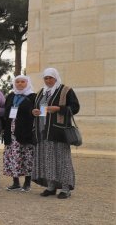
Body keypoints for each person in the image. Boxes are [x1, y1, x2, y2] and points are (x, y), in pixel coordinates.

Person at [32, 68, 80, 199]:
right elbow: (42, 110)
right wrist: (35, 112)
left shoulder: (66, 90)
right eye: (46, 78)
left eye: (50, 78)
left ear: (56, 78)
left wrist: (59, 108)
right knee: (49, 160)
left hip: (59, 131)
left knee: (62, 160)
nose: (48, 80)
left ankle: (65, 189)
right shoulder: (42, 92)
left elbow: (75, 107)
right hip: (44, 132)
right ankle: (51, 187)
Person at [3, 75, 36, 192]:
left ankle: (27, 183)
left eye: (23, 82)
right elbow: (5, 112)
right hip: (11, 130)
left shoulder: (33, 97)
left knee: (27, 156)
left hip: (25, 130)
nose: (20, 84)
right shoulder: (11, 96)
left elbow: (42, 112)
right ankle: (15, 182)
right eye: (18, 82)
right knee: (13, 156)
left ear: (28, 83)